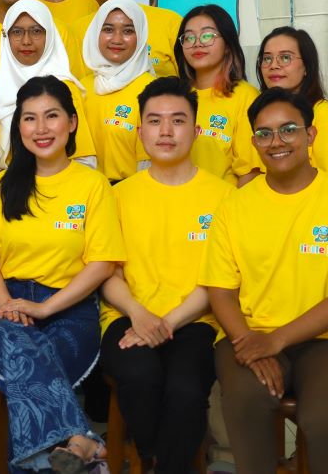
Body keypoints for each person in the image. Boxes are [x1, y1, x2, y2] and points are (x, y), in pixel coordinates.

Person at [200, 88, 328, 474]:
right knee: (246, 401)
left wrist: (276, 341)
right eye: (264, 133)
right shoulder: (234, 206)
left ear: (310, 135)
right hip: (250, 333)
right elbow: (221, 291)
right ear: (253, 143)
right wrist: (251, 341)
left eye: (288, 130)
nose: (276, 141)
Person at [0, 76, 123, 473]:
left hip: (71, 310)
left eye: (52, 116)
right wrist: (7, 304)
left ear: (72, 123)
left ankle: (65, 451)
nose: (40, 128)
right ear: (18, 126)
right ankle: (81, 439)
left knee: (30, 369)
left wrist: (45, 309)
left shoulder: (93, 185)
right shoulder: (2, 187)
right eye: (29, 118)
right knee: (14, 342)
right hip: (8, 307)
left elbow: (102, 264)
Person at [99, 78, 230, 474]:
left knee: (185, 390)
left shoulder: (225, 197)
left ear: (197, 129)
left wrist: (166, 323)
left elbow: (219, 279)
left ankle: (159, 465)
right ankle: (158, 458)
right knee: (141, 377)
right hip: (127, 316)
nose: (166, 131)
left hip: (197, 321)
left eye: (178, 120)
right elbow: (107, 273)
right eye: (155, 121)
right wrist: (139, 314)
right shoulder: (118, 195)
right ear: (140, 132)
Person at [0, 0, 96, 169]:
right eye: (17, 32)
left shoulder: (63, 88)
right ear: (6, 37)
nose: (26, 41)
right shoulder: (1, 85)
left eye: (36, 31)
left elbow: (85, 162)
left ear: (50, 35)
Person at [255, 26, 328, 185]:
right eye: (267, 59)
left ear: (307, 67)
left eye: (285, 58)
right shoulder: (264, 116)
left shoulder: (325, 116)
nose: (273, 65)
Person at [173, 5, 258, 185]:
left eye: (207, 36)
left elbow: (250, 173)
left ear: (227, 44)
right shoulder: (174, 96)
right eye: (189, 37)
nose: (197, 43)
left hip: (225, 201)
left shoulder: (245, 96)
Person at [80, 0, 156, 183]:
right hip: (84, 193)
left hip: (133, 192)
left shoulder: (152, 91)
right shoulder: (80, 88)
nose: (117, 39)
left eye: (128, 31)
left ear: (140, 37)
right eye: (108, 29)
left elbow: (150, 166)